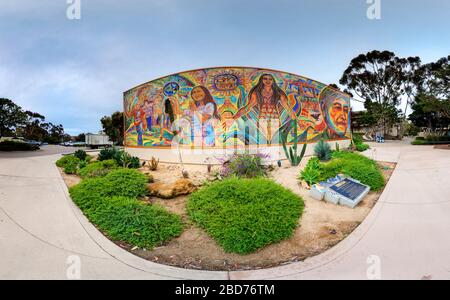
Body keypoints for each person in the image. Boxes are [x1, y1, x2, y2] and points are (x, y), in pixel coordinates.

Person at [233, 73, 297, 145]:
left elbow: (287, 107)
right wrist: (235, 116)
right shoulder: (257, 93)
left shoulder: (278, 92)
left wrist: (294, 118)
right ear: (261, 80)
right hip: (262, 118)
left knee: (274, 140)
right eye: (265, 79)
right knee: (263, 141)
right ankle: (264, 155)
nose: (268, 81)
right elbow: (248, 107)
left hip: (274, 118)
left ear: (273, 81)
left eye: (270, 79)